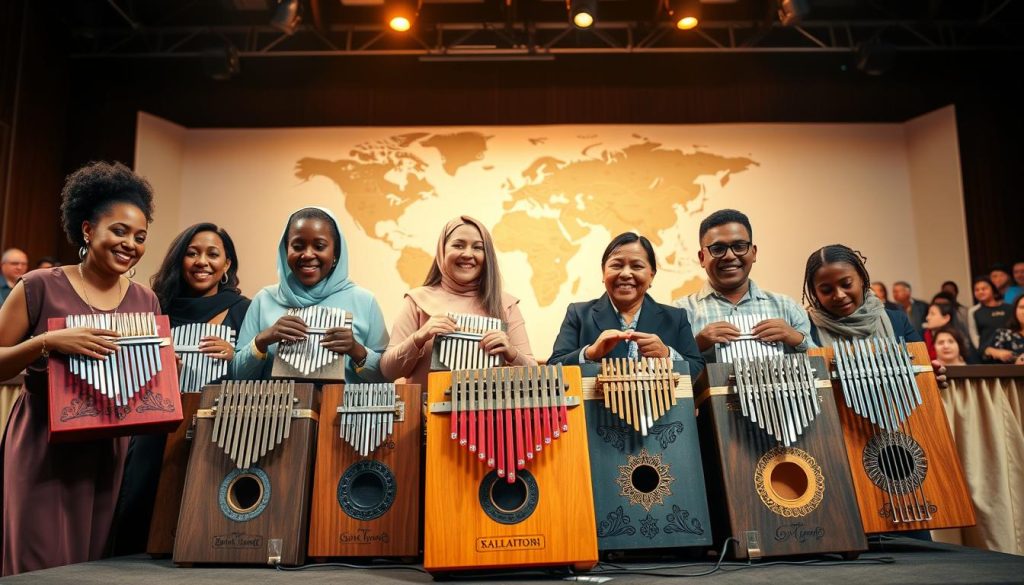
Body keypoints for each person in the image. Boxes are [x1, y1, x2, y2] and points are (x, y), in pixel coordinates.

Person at [0, 161, 158, 575]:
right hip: (41, 446)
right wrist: (47, 342)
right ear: (87, 230)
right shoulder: (38, 285)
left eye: (140, 237)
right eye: (119, 231)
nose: (130, 244)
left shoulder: (146, 300)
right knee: (37, 565)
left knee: (92, 568)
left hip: (107, 453)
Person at [112, 223, 251, 554]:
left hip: (216, 425)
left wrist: (236, 355)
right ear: (180, 259)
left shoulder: (243, 310)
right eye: (192, 253)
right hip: (155, 424)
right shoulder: (157, 307)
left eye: (212, 254)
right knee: (140, 499)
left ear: (227, 264)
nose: (202, 261)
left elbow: (256, 368)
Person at [233, 207, 388, 382]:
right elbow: (237, 376)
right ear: (285, 251)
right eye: (298, 246)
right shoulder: (264, 299)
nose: (307, 254)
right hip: (279, 408)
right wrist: (263, 340)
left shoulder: (364, 301)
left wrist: (356, 350)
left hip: (341, 408)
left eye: (319, 246)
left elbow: (387, 377)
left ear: (335, 253)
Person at [380, 216, 536, 388]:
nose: (468, 254)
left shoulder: (506, 304)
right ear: (442, 250)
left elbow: (535, 376)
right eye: (458, 245)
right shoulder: (417, 301)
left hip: (488, 413)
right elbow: (388, 371)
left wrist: (512, 354)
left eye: (478, 248)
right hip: (424, 413)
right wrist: (419, 337)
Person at [550, 232, 704, 379]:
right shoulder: (578, 314)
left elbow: (697, 370)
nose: (625, 274)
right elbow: (553, 369)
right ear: (603, 273)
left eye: (637, 266)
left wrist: (667, 354)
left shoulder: (676, 318)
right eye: (616, 265)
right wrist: (589, 354)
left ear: (652, 275)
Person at [674, 209, 812, 364]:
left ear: (753, 253)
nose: (730, 256)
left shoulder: (787, 307)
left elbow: (821, 368)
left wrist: (796, 340)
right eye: (718, 249)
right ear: (702, 257)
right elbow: (669, 372)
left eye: (739, 246)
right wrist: (696, 344)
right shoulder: (680, 312)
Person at [967, 276, 1011, 358]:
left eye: (984, 289)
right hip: (987, 356)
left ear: (993, 289)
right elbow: (974, 335)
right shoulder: (974, 312)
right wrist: (983, 351)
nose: (980, 292)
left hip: (1009, 353)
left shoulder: (1009, 308)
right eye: (977, 290)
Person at [984, 295, 1024, 365]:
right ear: (1015, 310)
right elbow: (986, 352)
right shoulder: (1003, 333)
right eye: (1021, 307)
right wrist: (996, 352)